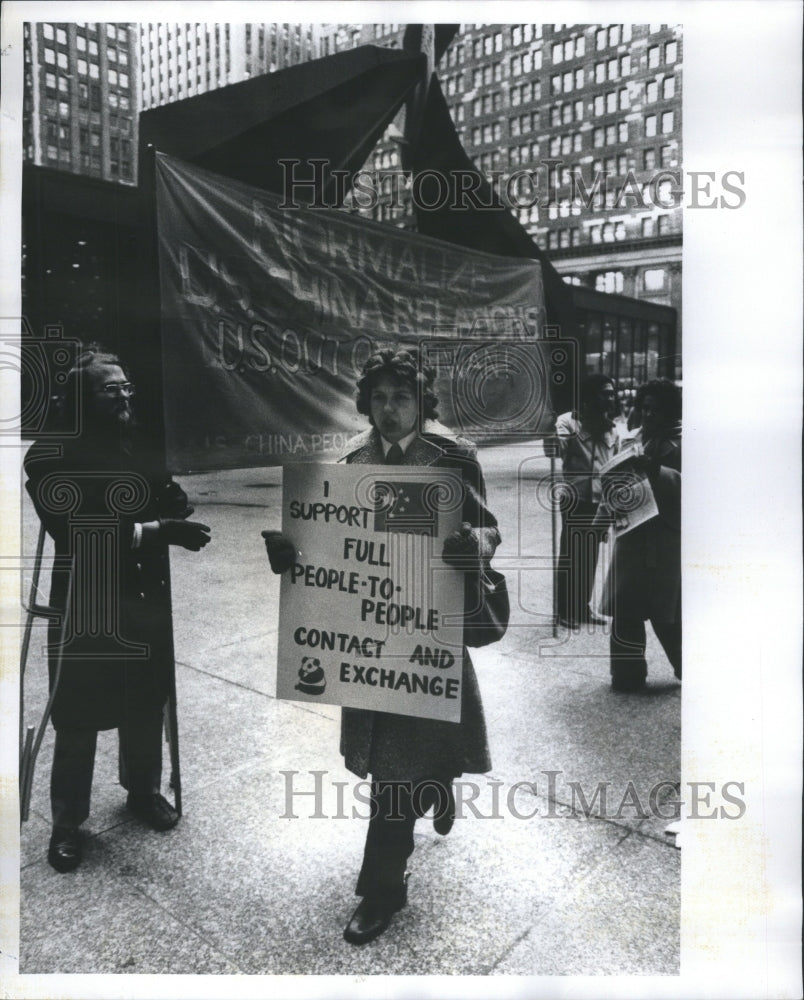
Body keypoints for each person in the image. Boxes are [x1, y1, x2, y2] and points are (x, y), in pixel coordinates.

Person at [263, 347, 501, 945]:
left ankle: (380, 890)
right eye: (380, 397)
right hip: (370, 645)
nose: (390, 409)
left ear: (423, 402)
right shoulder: (352, 462)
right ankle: (433, 788)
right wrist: (291, 557)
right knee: (397, 768)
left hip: (426, 638)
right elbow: (331, 553)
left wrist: (474, 542)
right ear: (365, 402)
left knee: (399, 772)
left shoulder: (452, 458)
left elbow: (489, 527)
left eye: (403, 397)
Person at [24, 345, 212, 872]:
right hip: (87, 600)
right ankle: (67, 821)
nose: (126, 394)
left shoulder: (135, 442)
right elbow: (75, 531)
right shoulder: (48, 456)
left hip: (142, 597)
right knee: (79, 711)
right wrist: (158, 530)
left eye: (128, 385)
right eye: (112, 388)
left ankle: (143, 790)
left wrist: (170, 498)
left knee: (145, 697)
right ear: (80, 400)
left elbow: (157, 489)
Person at [598, 378, 682, 691]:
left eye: (655, 410)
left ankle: (690, 664)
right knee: (626, 608)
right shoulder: (632, 441)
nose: (648, 415)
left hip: (665, 538)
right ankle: (627, 674)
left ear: (672, 412)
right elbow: (614, 487)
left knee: (668, 613)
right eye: (644, 408)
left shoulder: (686, 445)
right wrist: (600, 520)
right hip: (632, 535)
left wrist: (657, 471)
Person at [552, 374, 620, 628]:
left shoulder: (613, 428)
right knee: (571, 554)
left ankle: (583, 607)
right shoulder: (567, 422)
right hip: (575, 498)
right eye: (605, 393)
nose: (610, 398)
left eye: (612, 393)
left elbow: (614, 464)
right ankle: (563, 610)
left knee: (590, 555)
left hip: (599, 501)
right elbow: (558, 448)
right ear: (592, 395)